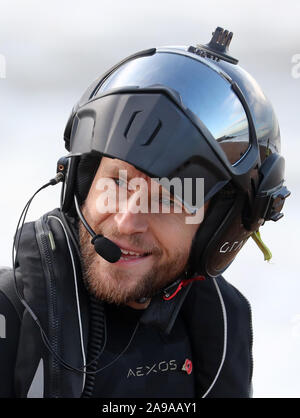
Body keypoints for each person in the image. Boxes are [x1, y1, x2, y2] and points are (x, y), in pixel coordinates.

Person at [0, 27, 290, 398]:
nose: (125, 221)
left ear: (220, 230)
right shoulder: (10, 319)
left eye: (168, 199)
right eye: (117, 182)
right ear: (81, 182)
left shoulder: (219, 333)